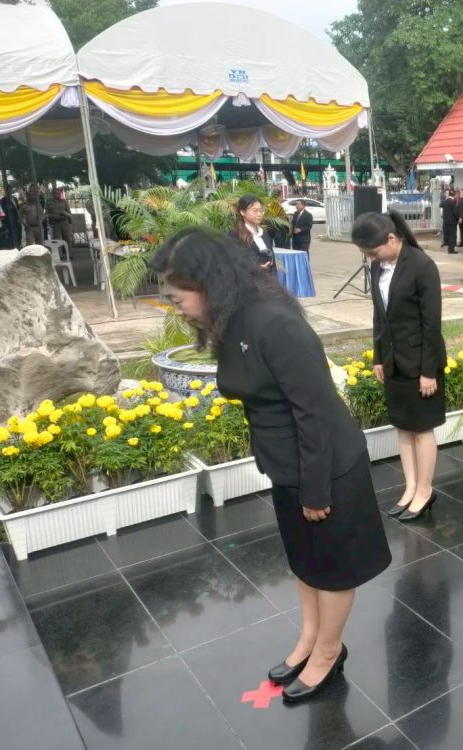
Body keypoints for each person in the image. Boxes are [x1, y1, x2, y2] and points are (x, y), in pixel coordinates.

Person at [150, 227, 391, 702]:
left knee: (332, 568)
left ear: (207, 284)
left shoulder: (272, 321)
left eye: (178, 299)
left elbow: (314, 410)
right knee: (305, 560)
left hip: (323, 465)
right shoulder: (233, 317)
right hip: (287, 463)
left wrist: (316, 488)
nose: (177, 309)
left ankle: (329, 651)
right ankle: (310, 638)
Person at [352, 211, 447, 522]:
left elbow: (431, 323)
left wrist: (428, 372)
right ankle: (411, 487)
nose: (372, 258)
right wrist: (378, 356)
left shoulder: (422, 265)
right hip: (393, 360)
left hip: (420, 362)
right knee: (403, 427)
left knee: (421, 429)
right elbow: (379, 315)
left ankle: (425, 490)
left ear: (391, 239)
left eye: (373, 251)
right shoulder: (378, 266)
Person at [230, 194, 276, 272]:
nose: (259, 214)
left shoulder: (263, 233)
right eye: (255, 211)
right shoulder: (235, 235)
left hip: (268, 277)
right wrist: (257, 269)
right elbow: (233, 263)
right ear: (242, 212)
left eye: (261, 210)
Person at [440, 187, 459, 253]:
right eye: (456, 194)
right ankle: (451, 249)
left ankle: (449, 247)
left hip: (446, 221)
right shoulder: (452, 201)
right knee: (452, 235)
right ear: (454, 195)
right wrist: (459, 217)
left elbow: (440, 205)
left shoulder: (446, 201)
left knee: (449, 234)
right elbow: (455, 212)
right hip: (452, 221)